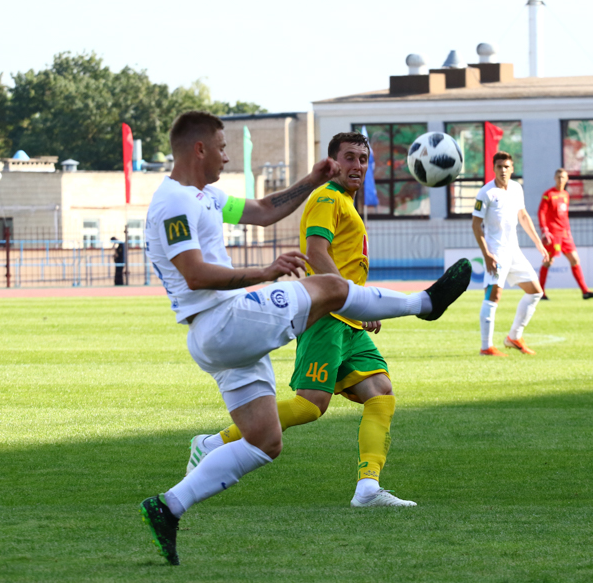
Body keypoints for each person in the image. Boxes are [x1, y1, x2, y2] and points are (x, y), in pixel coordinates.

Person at [139, 111, 472, 566]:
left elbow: (263, 211)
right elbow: (194, 274)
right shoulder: (172, 204)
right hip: (223, 321)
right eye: (221, 147)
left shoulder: (207, 196)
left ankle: (169, 506)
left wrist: (311, 179)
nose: (226, 156)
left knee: (264, 441)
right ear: (199, 149)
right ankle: (425, 304)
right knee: (330, 288)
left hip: (221, 336)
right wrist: (263, 272)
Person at [187, 131, 415, 507]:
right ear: (333, 162)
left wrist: (357, 306)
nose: (357, 165)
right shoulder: (327, 197)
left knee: (380, 393)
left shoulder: (344, 200)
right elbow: (316, 252)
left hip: (347, 320)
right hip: (328, 315)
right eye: (349, 157)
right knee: (310, 405)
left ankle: (368, 488)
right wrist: (354, 300)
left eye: (363, 159)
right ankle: (212, 443)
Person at [471, 151, 550, 357]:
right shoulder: (486, 193)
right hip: (496, 252)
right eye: (499, 167)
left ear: (512, 168)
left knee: (535, 292)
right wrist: (486, 254)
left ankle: (514, 337)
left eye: (506, 166)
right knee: (493, 295)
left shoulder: (516, 188)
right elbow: (476, 225)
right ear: (494, 168)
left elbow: (522, 215)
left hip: (514, 251)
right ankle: (486, 347)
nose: (503, 170)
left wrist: (538, 243)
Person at [537, 169, 593, 301]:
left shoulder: (566, 195)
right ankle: (540, 292)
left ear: (567, 179)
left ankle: (585, 291)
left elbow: (564, 216)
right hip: (553, 233)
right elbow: (541, 212)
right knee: (548, 261)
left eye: (563, 177)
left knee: (575, 260)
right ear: (554, 178)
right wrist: (544, 230)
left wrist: (568, 230)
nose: (560, 180)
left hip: (565, 234)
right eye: (558, 177)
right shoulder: (548, 194)